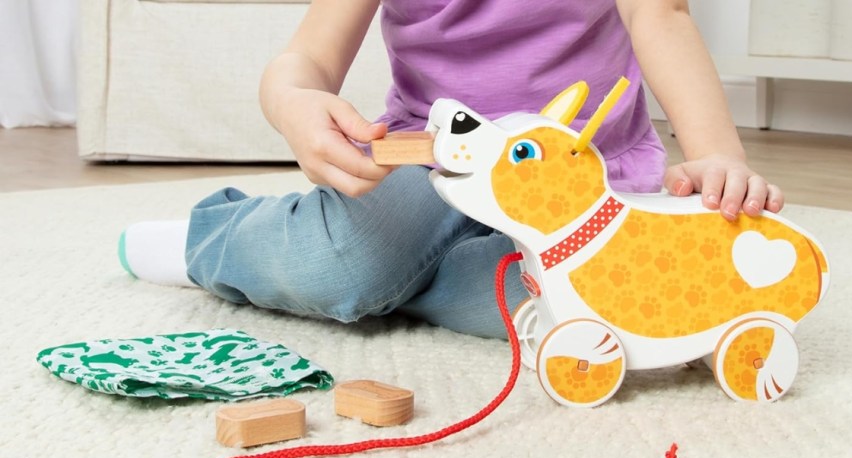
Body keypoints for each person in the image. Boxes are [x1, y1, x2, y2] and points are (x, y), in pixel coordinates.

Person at [118, 0, 784, 339]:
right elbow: (304, 62)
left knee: (594, 314)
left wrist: (717, 153)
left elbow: (658, 11)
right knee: (339, 266)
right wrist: (294, 105)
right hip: (435, 159)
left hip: (577, 173)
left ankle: (396, 273)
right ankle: (213, 237)